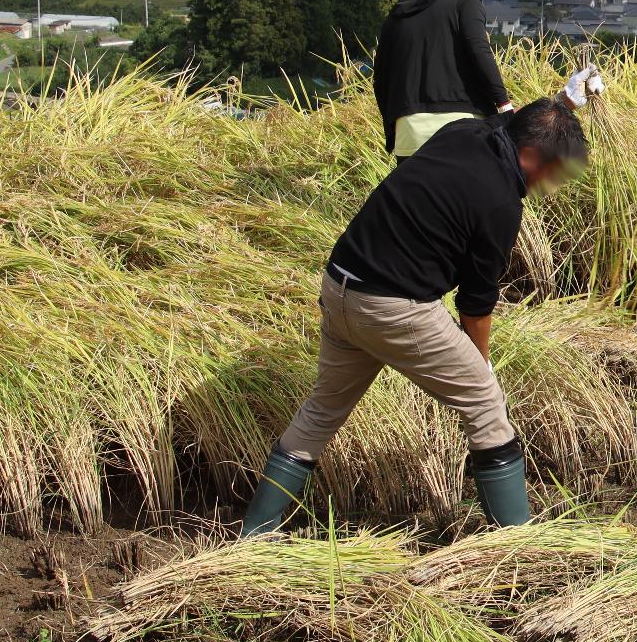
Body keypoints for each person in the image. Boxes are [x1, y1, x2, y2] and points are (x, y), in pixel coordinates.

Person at [242, 73, 601, 537]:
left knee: (321, 412)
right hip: (393, 306)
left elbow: (513, 122)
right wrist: (481, 366)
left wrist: (564, 104)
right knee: (484, 403)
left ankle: (254, 535)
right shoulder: (500, 204)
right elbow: (475, 304)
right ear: (532, 157)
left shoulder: (466, 132)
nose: (549, 183)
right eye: (552, 171)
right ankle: (518, 545)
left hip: (340, 286)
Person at [374, 0, 513, 160]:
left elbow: (380, 78)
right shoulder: (464, 2)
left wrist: (394, 128)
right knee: (463, 195)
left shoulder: (397, 12)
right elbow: (479, 50)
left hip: (408, 134)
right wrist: (504, 105)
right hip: (460, 128)